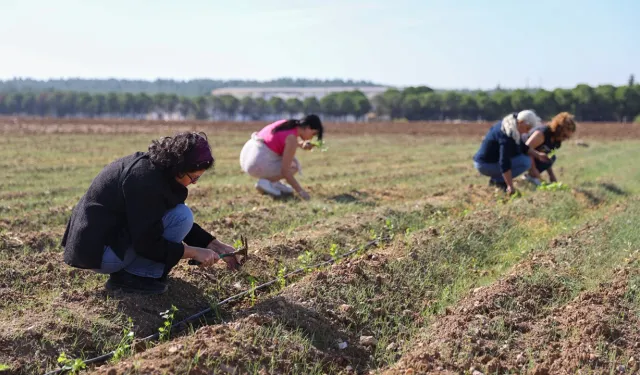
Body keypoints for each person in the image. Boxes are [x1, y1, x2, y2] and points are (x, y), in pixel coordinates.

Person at [61, 132, 240, 295]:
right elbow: (146, 241)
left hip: (105, 241)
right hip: (99, 253)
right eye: (194, 178)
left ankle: (137, 273)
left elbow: (159, 218)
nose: (194, 183)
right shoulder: (144, 182)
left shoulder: (157, 170)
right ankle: (133, 278)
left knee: (180, 215)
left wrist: (215, 245)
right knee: (182, 216)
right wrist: (193, 252)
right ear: (179, 168)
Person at [239, 114, 324, 200]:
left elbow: (277, 141)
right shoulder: (292, 139)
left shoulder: (286, 124)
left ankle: (273, 183)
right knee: (294, 165)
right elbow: (285, 172)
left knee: (288, 161)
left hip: (246, 155)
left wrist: (300, 144)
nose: (311, 137)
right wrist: (301, 192)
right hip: (256, 163)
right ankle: (267, 182)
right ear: (308, 127)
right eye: (313, 134)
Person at [473, 110, 551, 195]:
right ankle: (499, 182)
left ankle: (499, 180)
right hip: (485, 165)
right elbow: (504, 161)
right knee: (525, 162)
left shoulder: (512, 125)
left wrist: (538, 155)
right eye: (527, 128)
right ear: (521, 122)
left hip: (489, 162)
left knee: (525, 159)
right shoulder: (507, 134)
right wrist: (510, 185)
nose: (527, 132)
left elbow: (522, 146)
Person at [521, 111, 577, 186]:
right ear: (558, 129)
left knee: (551, 158)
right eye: (564, 136)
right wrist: (533, 170)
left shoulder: (557, 141)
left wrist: (551, 176)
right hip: (521, 154)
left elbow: (546, 157)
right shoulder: (542, 134)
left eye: (567, 137)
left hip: (532, 155)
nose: (565, 139)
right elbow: (526, 149)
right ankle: (529, 176)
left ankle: (531, 177)